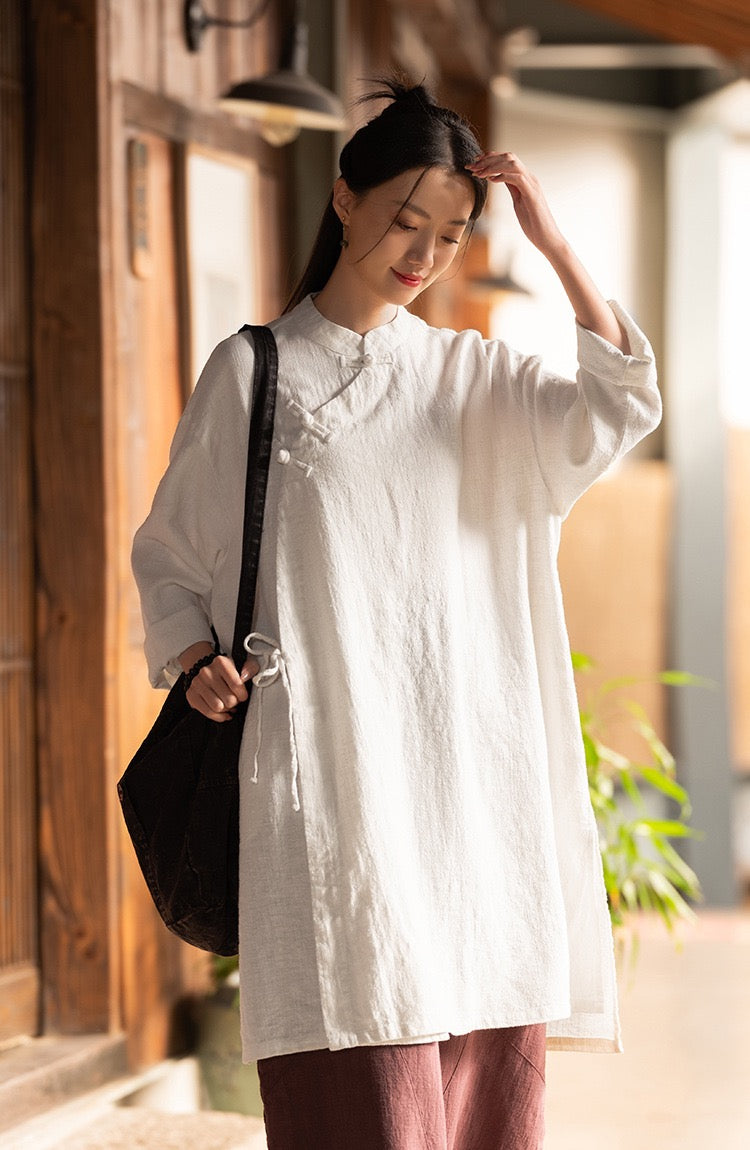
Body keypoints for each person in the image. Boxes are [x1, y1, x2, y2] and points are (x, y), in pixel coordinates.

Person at [132, 80, 661, 1149]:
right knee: (357, 1092)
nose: (423, 253)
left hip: (473, 805)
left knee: (484, 1111)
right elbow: (171, 557)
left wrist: (555, 244)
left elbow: (620, 405)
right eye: (406, 220)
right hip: (332, 790)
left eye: (451, 235)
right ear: (345, 197)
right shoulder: (254, 372)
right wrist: (194, 658)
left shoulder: (475, 379)